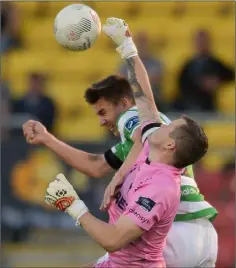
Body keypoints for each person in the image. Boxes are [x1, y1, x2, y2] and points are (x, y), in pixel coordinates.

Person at [23, 18, 210, 267]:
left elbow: (105, 163)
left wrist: (116, 178)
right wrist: (126, 45)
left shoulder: (130, 119)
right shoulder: (155, 136)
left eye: (103, 113)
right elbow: (143, 93)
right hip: (195, 231)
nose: (102, 122)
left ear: (123, 104)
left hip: (178, 233)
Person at [173, 29, 234, 112]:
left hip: (210, 102)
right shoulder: (188, 65)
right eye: (199, 42)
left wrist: (217, 82)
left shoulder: (216, 63)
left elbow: (230, 76)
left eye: (204, 42)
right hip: (191, 104)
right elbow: (181, 85)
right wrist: (200, 84)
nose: (201, 45)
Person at [119, 31, 166, 112]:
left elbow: (152, 81)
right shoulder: (126, 64)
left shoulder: (156, 63)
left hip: (154, 101)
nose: (141, 46)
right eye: (139, 42)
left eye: (144, 42)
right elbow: (123, 83)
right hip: (132, 101)